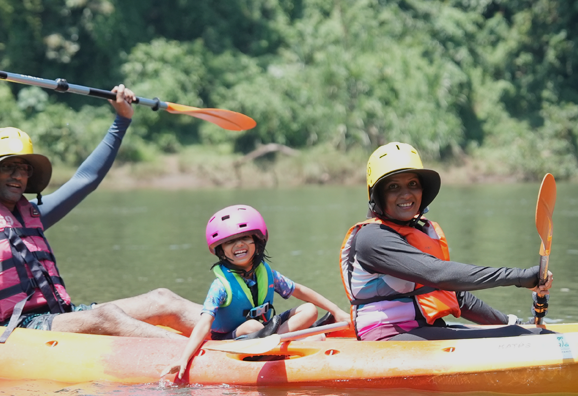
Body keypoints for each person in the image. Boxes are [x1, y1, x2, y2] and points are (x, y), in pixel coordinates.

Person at [0, 56, 201, 342]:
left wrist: (122, 120)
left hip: (58, 316)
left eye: (24, 169)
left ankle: (241, 333)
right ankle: (195, 355)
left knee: (162, 299)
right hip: (12, 331)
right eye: (8, 166)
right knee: (107, 317)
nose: (18, 176)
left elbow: (85, 180)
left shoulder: (29, 216)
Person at [340, 142, 553, 341]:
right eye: (393, 187)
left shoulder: (419, 232)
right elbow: (438, 275)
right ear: (377, 196)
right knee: (519, 337)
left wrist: (509, 323)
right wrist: (519, 277)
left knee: (520, 332)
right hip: (386, 340)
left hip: (424, 330)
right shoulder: (371, 239)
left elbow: (456, 296)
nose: (406, 194)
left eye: (413, 184)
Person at [162, 204, 350, 378]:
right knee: (252, 326)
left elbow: (299, 290)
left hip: (268, 332)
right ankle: (285, 345)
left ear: (257, 241)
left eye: (244, 238)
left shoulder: (266, 273)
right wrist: (184, 358)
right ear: (220, 251)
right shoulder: (220, 286)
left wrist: (336, 311)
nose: (239, 245)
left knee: (309, 309)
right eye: (230, 242)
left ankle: (275, 345)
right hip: (232, 338)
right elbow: (204, 323)